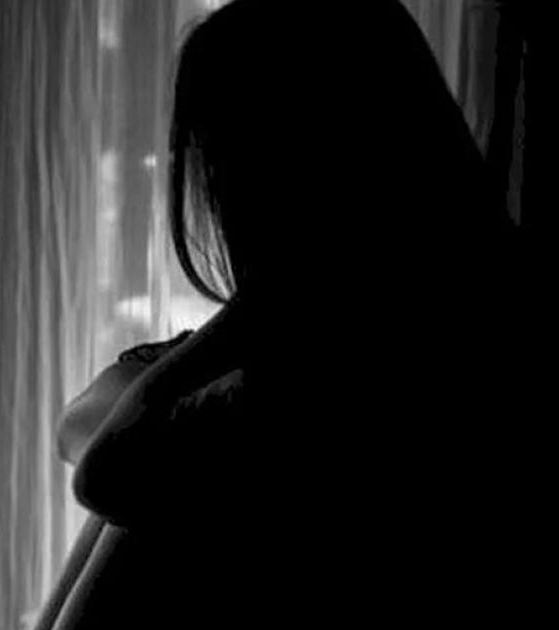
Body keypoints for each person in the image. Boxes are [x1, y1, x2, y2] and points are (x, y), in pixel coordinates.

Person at [51, 0, 534, 626]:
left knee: (153, 502)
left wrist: (248, 314)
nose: (214, 193)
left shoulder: (328, 371)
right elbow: (81, 426)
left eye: (223, 162)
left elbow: (103, 471)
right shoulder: (486, 308)